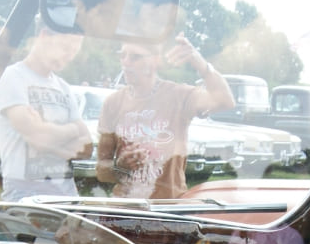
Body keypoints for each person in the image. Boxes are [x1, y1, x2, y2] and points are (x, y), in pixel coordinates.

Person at [96, 34, 234, 199]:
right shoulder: (113, 103)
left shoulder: (178, 95)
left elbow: (225, 101)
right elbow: (102, 171)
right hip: (126, 209)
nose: (126, 62)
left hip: (168, 209)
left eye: (135, 57)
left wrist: (201, 65)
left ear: (156, 61)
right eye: (122, 55)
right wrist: (121, 167)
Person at [0, 23, 91, 201]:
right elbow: (38, 137)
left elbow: (87, 147)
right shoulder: (13, 77)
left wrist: (47, 133)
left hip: (66, 192)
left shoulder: (64, 88)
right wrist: (72, 131)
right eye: (65, 48)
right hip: (24, 192)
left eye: (74, 51)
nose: (68, 57)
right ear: (44, 36)